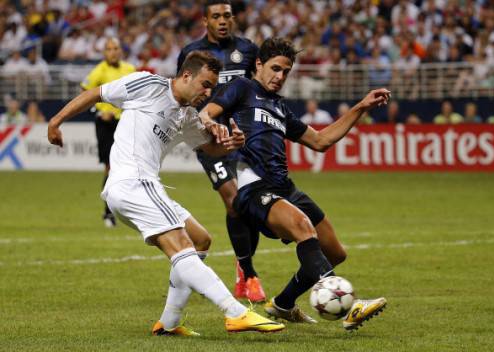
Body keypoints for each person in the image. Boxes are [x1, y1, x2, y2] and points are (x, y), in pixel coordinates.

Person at [47, 51, 284, 336]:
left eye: (212, 88)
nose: (208, 93)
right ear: (186, 76)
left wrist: (231, 143)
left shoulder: (186, 115)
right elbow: (97, 94)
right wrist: (56, 121)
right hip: (133, 182)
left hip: (143, 186)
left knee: (200, 239)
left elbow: (209, 147)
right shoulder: (148, 85)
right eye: (205, 85)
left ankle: (169, 322)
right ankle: (235, 312)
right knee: (182, 245)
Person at [199, 38, 388, 330]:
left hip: (285, 188)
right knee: (303, 227)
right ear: (258, 65)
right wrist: (216, 128)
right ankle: (347, 305)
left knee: (335, 252)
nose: (280, 76)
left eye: (286, 72)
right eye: (275, 68)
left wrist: (361, 106)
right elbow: (206, 113)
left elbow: (321, 141)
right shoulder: (242, 88)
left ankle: (284, 304)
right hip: (254, 189)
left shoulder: (280, 108)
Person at [177, 0, 265, 302]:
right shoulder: (192, 53)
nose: (223, 21)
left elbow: (260, 91)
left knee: (249, 206)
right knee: (232, 201)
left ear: (234, 18)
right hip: (210, 140)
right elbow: (182, 93)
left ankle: (242, 267)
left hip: (244, 138)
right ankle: (250, 274)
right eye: (216, 16)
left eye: (227, 15)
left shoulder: (249, 50)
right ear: (206, 20)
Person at [81, 37, 136, 228]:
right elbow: (84, 94)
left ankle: (125, 210)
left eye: (116, 48)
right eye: (109, 49)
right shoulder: (99, 71)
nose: (113, 52)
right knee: (111, 168)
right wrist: (98, 111)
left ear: (121, 51)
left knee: (129, 167)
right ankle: (108, 213)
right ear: (104, 52)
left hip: (126, 123)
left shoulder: (129, 69)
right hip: (105, 125)